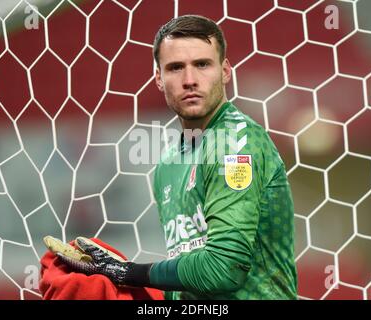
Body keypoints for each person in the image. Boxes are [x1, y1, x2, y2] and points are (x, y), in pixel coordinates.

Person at [57, 15, 298, 300]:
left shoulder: (236, 144)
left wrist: (128, 273)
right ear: (159, 78)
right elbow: (188, 281)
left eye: (202, 64)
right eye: (175, 68)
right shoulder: (168, 164)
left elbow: (224, 269)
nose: (189, 80)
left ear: (225, 71)